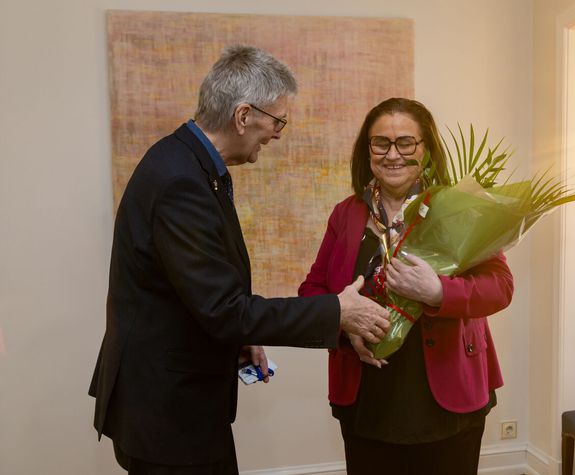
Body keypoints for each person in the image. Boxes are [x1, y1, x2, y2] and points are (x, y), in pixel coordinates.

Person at [88, 44, 390, 475]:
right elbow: (224, 309)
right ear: (244, 115)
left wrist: (238, 334)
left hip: (176, 402)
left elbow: (200, 292)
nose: (278, 133)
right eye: (277, 120)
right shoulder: (180, 181)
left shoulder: (190, 162)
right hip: (167, 413)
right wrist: (337, 310)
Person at [298, 98, 514, 474]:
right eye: (381, 143)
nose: (393, 154)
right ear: (367, 150)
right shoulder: (346, 214)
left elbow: (500, 285)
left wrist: (439, 293)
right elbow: (313, 289)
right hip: (366, 393)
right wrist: (345, 324)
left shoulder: (457, 206)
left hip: (449, 391)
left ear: (426, 148)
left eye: (406, 142)